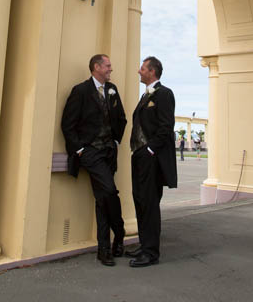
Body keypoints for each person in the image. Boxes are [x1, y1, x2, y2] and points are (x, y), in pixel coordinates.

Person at [60, 54, 127, 266]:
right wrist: (79, 149)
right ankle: (120, 230)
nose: (111, 69)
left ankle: (104, 249)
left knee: (102, 199)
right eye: (108, 65)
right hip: (90, 152)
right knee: (108, 190)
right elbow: (67, 124)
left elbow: (122, 118)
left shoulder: (112, 89)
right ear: (96, 67)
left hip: (109, 151)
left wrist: (116, 141)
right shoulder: (80, 91)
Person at [126, 56, 177, 267]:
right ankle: (144, 244)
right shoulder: (145, 96)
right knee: (140, 201)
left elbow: (166, 126)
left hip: (151, 158)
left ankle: (151, 253)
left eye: (142, 68)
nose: (139, 71)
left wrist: (149, 149)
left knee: (150, 204)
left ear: (152, 71)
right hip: (139, 156)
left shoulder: (164, 94)